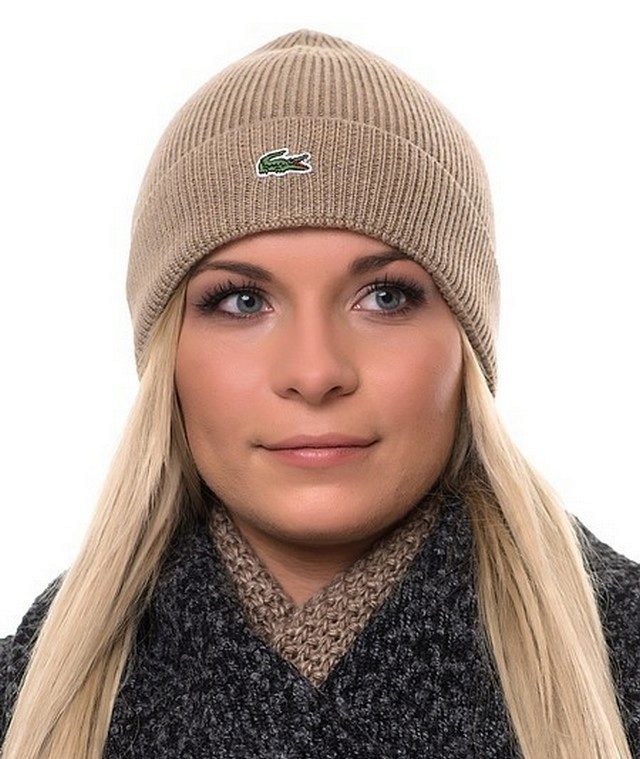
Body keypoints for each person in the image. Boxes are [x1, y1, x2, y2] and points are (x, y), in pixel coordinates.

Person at [1, 28, 638, 759]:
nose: (313, 371)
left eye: (385, 297)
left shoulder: (622, 661)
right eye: (242, 301)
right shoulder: (27, 702)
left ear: (467, 342)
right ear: (166, 357)